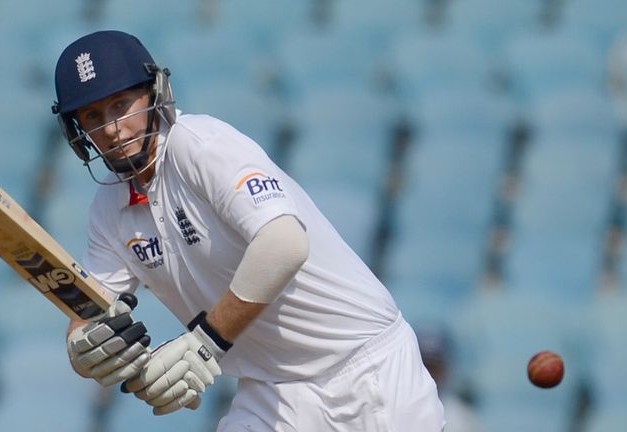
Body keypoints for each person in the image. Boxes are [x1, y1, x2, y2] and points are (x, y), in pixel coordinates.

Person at [53, 30, 445, 431]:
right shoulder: (108, 211)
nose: (113, 128)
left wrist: (205, 344)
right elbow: (91, 310)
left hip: (363, 362)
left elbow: (284, 243)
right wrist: (80, 349)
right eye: (93, 117)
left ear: (154, 92)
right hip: (276, 390)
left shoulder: (199, 146)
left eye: (121, 104)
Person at [417, 325, 485, 432]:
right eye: (424, 366)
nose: (429, 374)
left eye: (435, 367)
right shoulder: (394, 411)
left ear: (447, 369)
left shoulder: (464, 419)